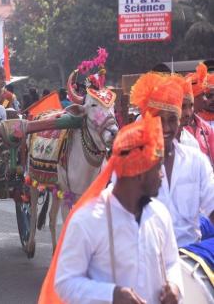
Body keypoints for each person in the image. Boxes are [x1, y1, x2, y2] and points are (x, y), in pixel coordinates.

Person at [39, 114, 183, 304]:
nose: (162, 175)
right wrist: (111, 295)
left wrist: (174, 285)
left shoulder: (160, 214)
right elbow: (65, 283)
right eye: (157, 167)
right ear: (139, 172)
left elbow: (172, 262)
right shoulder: (87, 221)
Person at [131, 72, 214, 247]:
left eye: (172, 119)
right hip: (148, 257)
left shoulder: (196, 160)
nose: (167, 128)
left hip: (191, 256)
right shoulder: (131, 163)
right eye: (160, 120)